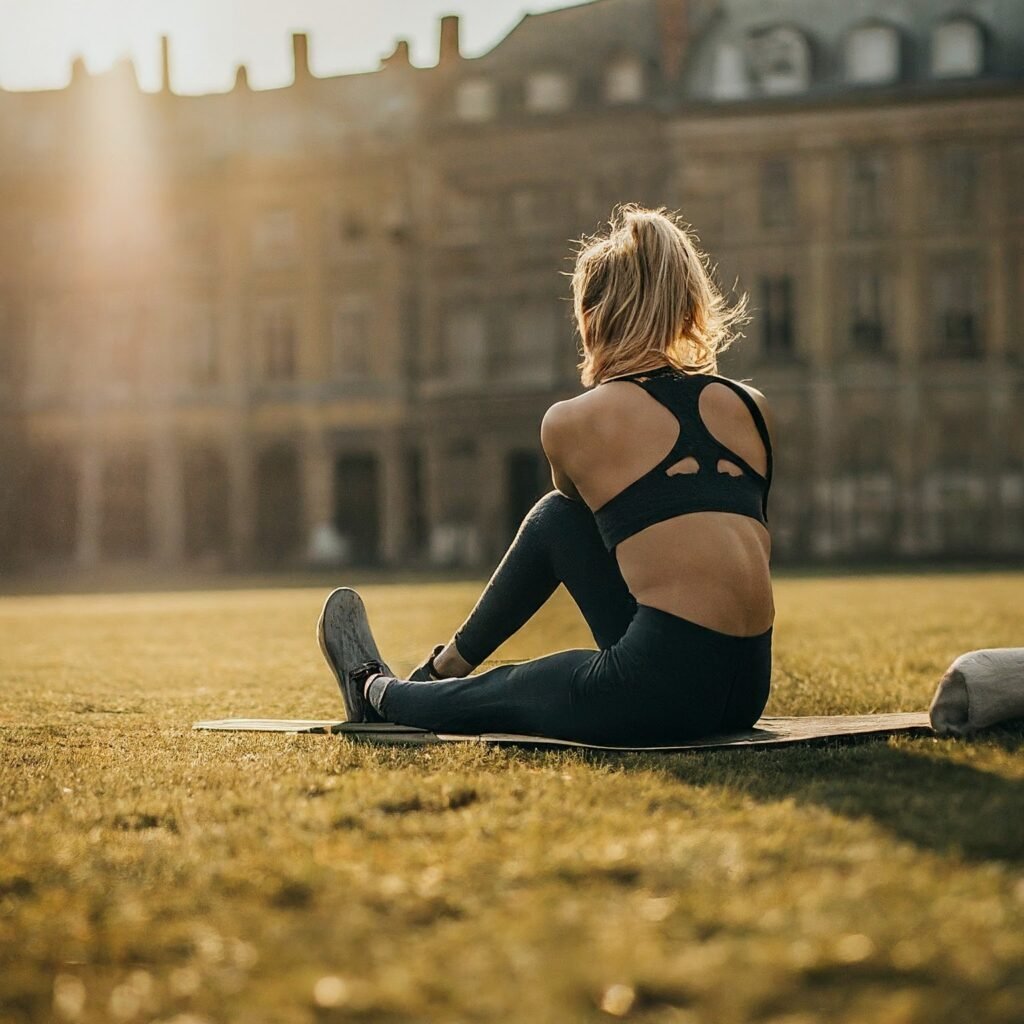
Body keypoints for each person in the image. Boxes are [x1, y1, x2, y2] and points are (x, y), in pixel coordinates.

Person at [317, 205, 774, 746]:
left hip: (662, 695)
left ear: (595, 317)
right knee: (562, 520)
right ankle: (438, 674)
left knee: (518, 687)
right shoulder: (751, 406)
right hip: (746, 687)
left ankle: (380, 691)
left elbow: (569, 512)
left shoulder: (573, 421)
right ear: (685, 304)